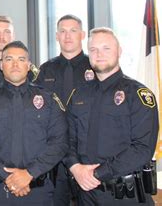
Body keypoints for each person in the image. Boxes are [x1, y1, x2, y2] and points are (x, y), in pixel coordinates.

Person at [0, 41, 68, 205]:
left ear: (28, 65)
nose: (15, 64)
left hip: (38, 188)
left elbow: (60, 142)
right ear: (1, 65)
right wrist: (8, 176)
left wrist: (29, 174)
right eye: (9, 59)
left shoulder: (49, 99)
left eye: (21, 59)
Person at [65, 27, 159, 205]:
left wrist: (97, 173)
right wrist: (75, 167)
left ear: (119, 51)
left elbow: (142, 149)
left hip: (124, 195)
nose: (99, 54)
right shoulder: (78, 95)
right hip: (85, 195)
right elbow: (68, 140)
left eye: (106, 48)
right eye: (93, 49)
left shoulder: (138, 95)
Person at [36, 14, 92, 205]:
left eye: (73, 31)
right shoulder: (45, 70)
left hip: (86, 149)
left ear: (82, 34)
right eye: (63, 31)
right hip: (53, 152)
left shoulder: (95, 66)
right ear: (57, 36)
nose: (68, 36)